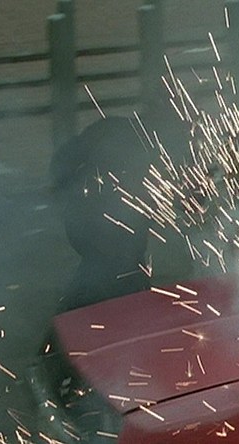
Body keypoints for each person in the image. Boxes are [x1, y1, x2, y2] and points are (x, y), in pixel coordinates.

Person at [50, 117, 154, 311]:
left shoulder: (119, 130)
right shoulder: (138, 140)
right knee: (115, 276)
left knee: (115, 272)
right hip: (101, 229)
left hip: (97, 231)